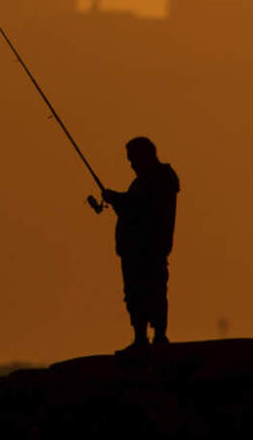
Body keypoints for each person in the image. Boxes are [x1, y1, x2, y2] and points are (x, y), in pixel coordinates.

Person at [102, 137, 180, 352]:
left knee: (152, 292)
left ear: (146, 156)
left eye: (133, 159)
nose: (132, 164)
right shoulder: (146, 181)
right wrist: (117, 201)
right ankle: (141, 338)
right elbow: (132, 209)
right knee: (135, 294)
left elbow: (140, 207)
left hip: (149, 249)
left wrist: (115, 198)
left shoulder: (160, 180)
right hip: (135, 251)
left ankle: (157, 338)